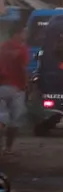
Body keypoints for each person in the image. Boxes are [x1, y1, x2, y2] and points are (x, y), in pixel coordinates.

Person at [0, 22, 28, 155]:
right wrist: (26, 86)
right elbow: (23, 69)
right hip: (16, 88)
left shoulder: (3, 47)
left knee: (1, 119)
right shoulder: (22, 49)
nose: (25, 35)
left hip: (1, 87)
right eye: (23, 32)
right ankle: (8, 148)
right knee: (14, 121)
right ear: (17, 34)